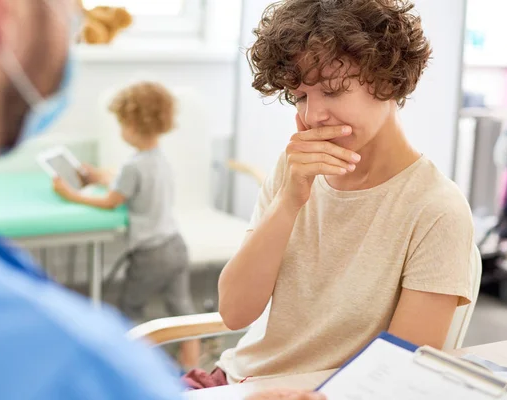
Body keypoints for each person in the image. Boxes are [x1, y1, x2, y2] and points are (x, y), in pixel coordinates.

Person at [0, 0, 323, 399]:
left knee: (141, 304)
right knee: (177, 302)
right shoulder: (87, 366)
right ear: (2, 14)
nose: (78, 19)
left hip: (153, 257)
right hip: (171, 253)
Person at [185, 0, 476, 388]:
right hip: (233, 382)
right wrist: (290, 201)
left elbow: (396, 379)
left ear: (389, 79)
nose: (314, 116)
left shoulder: (437, 210)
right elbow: (235, 313)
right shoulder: (294, 170)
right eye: (301, 97)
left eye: (333, 90)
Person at [53, 81, 201, 371]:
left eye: (121, 123)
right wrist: (98, 177)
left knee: (130, 310)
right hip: (175, 246)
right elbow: (125, 184)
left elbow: (112, 200)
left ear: (132, 124)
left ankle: (130, 368)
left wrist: (70, 194)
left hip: (151, 255)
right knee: (183, 312)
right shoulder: (159, 159)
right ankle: (193, 370)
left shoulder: (134, 166)